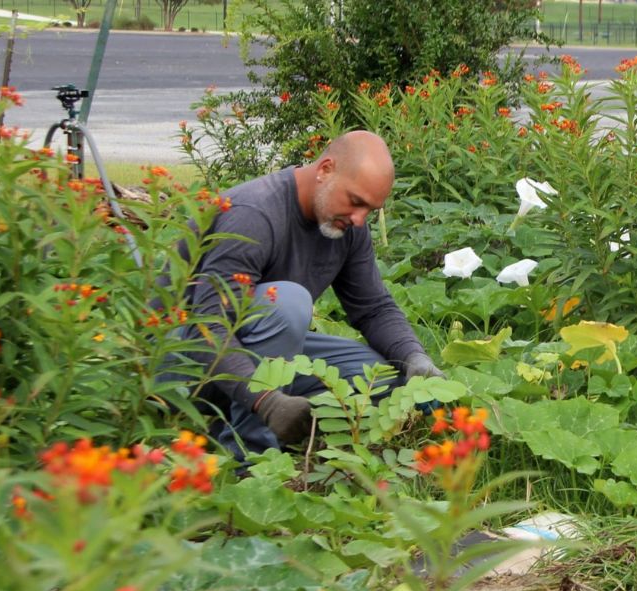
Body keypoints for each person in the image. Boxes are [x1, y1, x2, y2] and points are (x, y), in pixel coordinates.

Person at [172, 130, 442, 458]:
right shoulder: (254, 214)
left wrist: (415, 358)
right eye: (356, 202)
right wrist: (266, 401)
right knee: (287, 304)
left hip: (255, 353)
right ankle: (249, 454)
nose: (359, 219)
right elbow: (207, 329)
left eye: (370, 210)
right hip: (180, 358)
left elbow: (373, 308)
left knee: (385, 378)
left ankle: (251, 418)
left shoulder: (349, 226)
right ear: (325, 169)